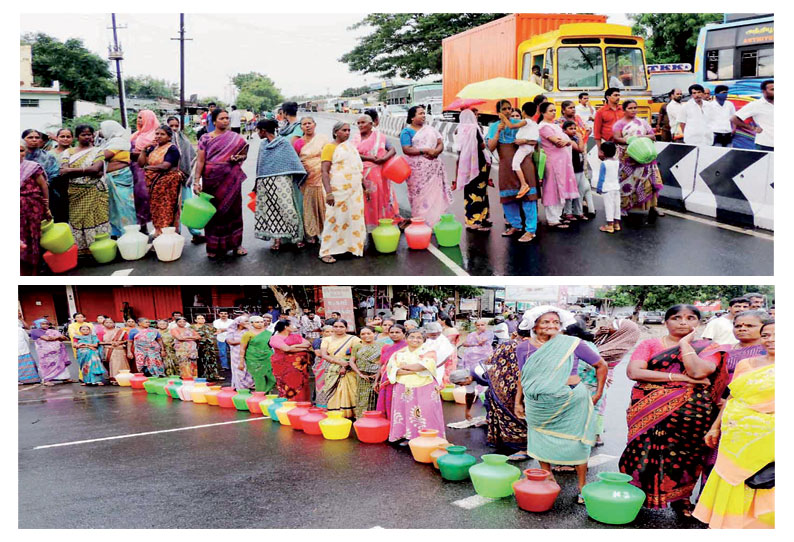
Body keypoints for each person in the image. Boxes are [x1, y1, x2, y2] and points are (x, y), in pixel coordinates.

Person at [619, 304, 728, 517]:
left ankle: (681, 499)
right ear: (665, 322)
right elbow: (634, 371)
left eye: (690, 318)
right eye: (677, 318)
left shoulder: (709, 348)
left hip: (691, 414)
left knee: (685, 457)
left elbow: (698, 371)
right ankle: (637, 494)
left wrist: (685, 344)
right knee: (640, 452)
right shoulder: (649, 344)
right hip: (647, 409)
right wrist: (681, 378)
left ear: (699, 323)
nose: (683, 322)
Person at [514, 306, 607, 502]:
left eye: (555, 322)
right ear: (534, 325)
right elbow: (524, 377)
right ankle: (549, 480)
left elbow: (601, 365)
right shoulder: (523, 347)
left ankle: (582, 487)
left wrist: (598, 393)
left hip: (572, 400)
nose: (551, 325)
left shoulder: (573, 343)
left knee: (578, 444)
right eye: (546, 322)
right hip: (539, 404)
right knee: (541, 441)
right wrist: (518, 402)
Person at [693, 321, 774, 529]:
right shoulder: (746, 364)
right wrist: (715, 427)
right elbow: (732, 398)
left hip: (769, 440)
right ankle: (728, 524)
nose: (771, 339)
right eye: (766, 335)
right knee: (731, 479)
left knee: (765, 481)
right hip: (735, 438)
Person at [194, 108, 249, 259]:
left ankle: (236, 244)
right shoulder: (205, 138)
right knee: (214, 214)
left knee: (234, 212)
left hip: (231, 179)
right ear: (214, 121)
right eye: (222, 118)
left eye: (227, 118)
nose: (225, 121)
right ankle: (214, 246)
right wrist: (196, 181)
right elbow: (200, 161)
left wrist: (237, 158)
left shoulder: (235, 137)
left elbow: (243, 153)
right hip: (211, 180)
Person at [254, 119, 307, 250]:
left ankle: (297, 238)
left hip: (282, 181)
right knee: (271, 211)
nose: (257, 133)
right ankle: (276, 240)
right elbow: (260, 165)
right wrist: (257, 182)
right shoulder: (263, 145)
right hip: (265, 182)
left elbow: (293, 161)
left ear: (263, 131)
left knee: (288, 209)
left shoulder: (283, 143)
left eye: (258, 130)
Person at [386, 328, 445, 444]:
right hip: (403, 386)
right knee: (405, 411)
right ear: (406, 338)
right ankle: (408, 437)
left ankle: (430, 437)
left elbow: (423, 367)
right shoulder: (398, 353)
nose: (415, 340)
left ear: (424, 340)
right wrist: (412, 369)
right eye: (412, 337)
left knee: (427, 412)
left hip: (425, 386)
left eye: (419, 337)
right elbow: (393, 370)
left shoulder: (429, 351)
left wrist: (405, 367)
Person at [318, 122, 366, 264]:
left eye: (349, 130)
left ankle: (348, 247)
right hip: (337, 189)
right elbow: (324, 171)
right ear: (335, 132)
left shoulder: (350, 148)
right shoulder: (329, 147)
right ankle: (325, 251)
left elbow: (356, 169)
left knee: (351, 218)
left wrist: (364, 187)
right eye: (344, 130)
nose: (347, 133)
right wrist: (329, 193)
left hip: (354, 190)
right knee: (334, 219)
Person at [59, 125, 110, 255]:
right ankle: (82, 249)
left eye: (89, 134)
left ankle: (100, 248)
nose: (87, 137)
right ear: (77, 137)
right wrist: (86, 171)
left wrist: (71, 170)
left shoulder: (98, 151)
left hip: (95, 191)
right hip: (76, 192)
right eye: (83, 134)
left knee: (97, 217)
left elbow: (96, 170)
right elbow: (64, 172)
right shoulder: (68, 152)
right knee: (77, 219)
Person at [611, 100, 664, 220]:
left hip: (645, 156)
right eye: (630, 108)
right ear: (624, 110)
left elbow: (652, 136)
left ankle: (652, 207)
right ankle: (623, 207)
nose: (633, 110)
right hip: (628, 158)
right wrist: (631, 140)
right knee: (626, 183)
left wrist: (641, 138)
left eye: (635, 108)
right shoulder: (619, 124)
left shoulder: (642, 122)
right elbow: (616, 138)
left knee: (649, 182)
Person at [400, 105, 452, 227]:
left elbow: (440, 143)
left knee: (435, 195)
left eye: (424, 113)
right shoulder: (406, 132)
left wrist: (436, 151)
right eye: (420, 113)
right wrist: (425, 150)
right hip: (417, 171)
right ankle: (420, 221)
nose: (423, 116)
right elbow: (406, 149)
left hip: (433, 169)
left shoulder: (430, 129)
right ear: (412, 117)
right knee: (419, 196)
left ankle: (435, 222)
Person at [590, 318, 640, 444]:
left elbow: (592, 355)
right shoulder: (608, 340)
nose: (609, 325)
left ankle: (596, 434)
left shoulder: (617, 347)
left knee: (596, 405)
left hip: (597, 379)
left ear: (622, 331)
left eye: (614, 325)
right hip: (594, 378)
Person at [355, 114, 402, 229]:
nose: (360, 125)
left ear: (371, 124)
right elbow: (353, 154)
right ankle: (370, 226)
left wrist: (384, 159)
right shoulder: (356, 139)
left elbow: (392, 150)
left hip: (379, 174)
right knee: (367, 199)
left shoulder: (380, 137)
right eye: (359, 123)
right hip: (363, 175)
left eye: (363, 122)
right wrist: (369, 158)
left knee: (383, 198)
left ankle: (384, 223)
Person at [538, 102, 580, 228]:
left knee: (561, 187)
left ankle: (557, 216)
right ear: (543, 113)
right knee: (552, 188)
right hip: (553, 162)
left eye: (554, 110)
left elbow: (566, 141)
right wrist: (567, 141)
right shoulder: (544, 127)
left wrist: (567, 141)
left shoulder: (554, 125)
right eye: (551, 111)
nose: (554, 113)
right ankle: (552, 219)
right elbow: (558, 142)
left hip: (562, 161)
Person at [138, 124, 182, 237]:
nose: (158, 136)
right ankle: (159, 233)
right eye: (157, 133)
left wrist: (147, 168)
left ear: (169, 137)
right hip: (153, 184)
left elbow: (165, 166)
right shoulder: (153, 148)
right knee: (156, 210)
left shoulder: (172, 148)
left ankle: (166, 235)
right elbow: (141, 163)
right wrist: (143, 150)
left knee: (166, 209)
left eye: (162, 134)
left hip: (167, 183)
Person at [166, 116, 204, 244]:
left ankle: (196, 234)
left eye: (176, 125)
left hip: (184, 180)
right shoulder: (162, 141)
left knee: (187, 206)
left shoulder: (184, 139)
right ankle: (176, 235)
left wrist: (185, 173)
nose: (174, 128)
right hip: (169, 181)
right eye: (171, 126)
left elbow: (191, 157)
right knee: (172, 209)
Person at [454, 109, 492, 232]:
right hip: (477, 162)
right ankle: (478, 220)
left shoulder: (458, 130)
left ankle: (470, 220)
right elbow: (482, 146)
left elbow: (458, 147)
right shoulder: (474, 129)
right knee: (480, 191)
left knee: (469, 191)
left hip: (465, 164)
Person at [96, 121, 136, 238]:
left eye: (102, 129)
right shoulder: (109, 142)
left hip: (120, 177)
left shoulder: (119, 141)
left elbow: (103, 155)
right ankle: (116, 234)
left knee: (124, 206)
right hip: (111, 176)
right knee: (113, 208)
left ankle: (129, 234)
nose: (100, 131)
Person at [294, 117, 329, 244]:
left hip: (322, 176)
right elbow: (296, 160)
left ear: (315, 124)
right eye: (304, 124)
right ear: (301, 127)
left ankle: (328, 232)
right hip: (307, 178)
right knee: (310, 206)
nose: (307, 126)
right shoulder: (299, 143)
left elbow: (329, 156)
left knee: (324, 205)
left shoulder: (323, 139)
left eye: (310, 123)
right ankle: (312, 233)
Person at [20, 140, 51, 274]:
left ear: (25, 152)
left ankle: (33, 271)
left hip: (33, 207)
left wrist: (46, 206)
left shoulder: (32, 167)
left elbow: (43, 186)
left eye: (21, 150)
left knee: (33, 237)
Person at [320, 319, 361, 417]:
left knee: (351, 390)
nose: (338, 329)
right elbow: (324, 355)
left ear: (346, 328)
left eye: (341, 327)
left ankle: (352, 413)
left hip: (349, 368)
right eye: (336, 326)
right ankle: (336, 413)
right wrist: (339, 362)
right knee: (334, 391)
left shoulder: (353, 339)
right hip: (332, 369)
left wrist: (346, 365)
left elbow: (357, 354)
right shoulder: (326, 339)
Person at [130, 110, 159, 232]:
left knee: (148, 197)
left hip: (148, 170)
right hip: (134, 170)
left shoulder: (156, 135)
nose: (139, 120)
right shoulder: (136, 135)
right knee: (138, 198)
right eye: (138, 117)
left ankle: (159, 226)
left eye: (141, 118)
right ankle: (142, 226)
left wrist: (134, 154)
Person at [269, 320, 312, 400]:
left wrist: (294, 346)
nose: (294, 327)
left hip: (299, 367)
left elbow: (308, 344)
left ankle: (302, 403)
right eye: (292, 325)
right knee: (288, 385)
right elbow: (286, 349)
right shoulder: (275, 338)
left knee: (301, 384)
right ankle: (288, 403)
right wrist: (302, 348)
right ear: (286, 327)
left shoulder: (296, 336)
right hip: (284, 366)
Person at [349, 326, 383, 418]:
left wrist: (378, 375)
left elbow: (385, 362)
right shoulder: (357, 347)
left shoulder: (382, 346)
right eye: (363, 334)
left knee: (378, 398)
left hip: (379, 376)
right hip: (363, 377)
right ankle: (362, 420)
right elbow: (352, 361)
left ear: (374, 334)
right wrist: (360, 374)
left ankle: (378, 420)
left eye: (369, 333)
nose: (366, 336)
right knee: (363, 399)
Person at [732, 80, 774, 151]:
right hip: (765, 144)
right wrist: (752, 128)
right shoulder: (755, 105)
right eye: (772, 89)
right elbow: (734, 118)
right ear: (764, 91)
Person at [30, 319, 72, 386]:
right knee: (47, 365)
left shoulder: (52, 331)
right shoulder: (35, 331)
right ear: (38, 324)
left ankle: (65, 378)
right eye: (43, 324)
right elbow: (47, 338)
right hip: (45, 353)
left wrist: (58, 337)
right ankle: (47, 380)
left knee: (60, 363)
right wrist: (58, 337)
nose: (46, 325)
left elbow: (64, 338)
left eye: (47, 324)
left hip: (57, 352)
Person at [239, 315, 275, 393]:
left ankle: (263, 394)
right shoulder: (247, 334)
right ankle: (261, 397)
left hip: (267, 357)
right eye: (257, 322)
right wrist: (241, 362)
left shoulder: (269, 333)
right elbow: (242, 348)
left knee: (273, 379)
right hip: (253, 358)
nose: (260, 324)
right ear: (251, 323)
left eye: (261, 322)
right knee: (259, 379)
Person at [596, 141, 621, 233]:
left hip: (607, 188)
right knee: (616, 205)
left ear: (603, 152)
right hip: (616, 187)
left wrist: (599, 188)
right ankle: (617, 224)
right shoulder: (617, 162)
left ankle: (610, 226)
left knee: (609, 206)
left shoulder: (604, 164)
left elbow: (601, 178)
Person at [424, 322, 457, 386]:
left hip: (437, 367)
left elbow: (446, 355)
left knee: (435, 383)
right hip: (423, 367)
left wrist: (436, 366)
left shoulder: (442, 340)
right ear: (426, 332)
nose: (435, 336)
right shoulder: (423, 338)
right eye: (433, 335)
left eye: (438, 334)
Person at [594, 88, 623, 160]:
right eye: (615, 95)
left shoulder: (623, 109)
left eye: (619, 95)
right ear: (608, 97)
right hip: (608, 145)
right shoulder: (600, 112)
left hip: (623, 144)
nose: (618, 97)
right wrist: (599, 150)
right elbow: (597, 132)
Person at [98, 317, 129, 383]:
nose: (109, 324)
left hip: (119, 349)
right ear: (103, 324)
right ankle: (113, 378)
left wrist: (119, 342)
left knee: (120, 364)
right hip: (107, 349)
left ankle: (121, 378)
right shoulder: (101, 332)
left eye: (111, 322)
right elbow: (99, 342)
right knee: (111, 364)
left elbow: (126, 340)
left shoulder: (120, 331)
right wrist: (110, 343)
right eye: (107, 322)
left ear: (114, 323)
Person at [227, 316, 254, 390]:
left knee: (247, 370)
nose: (247, 323)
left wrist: (249, 328)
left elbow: (254, 337)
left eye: (248, 321)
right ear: (239, 322)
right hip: (235, 354)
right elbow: (230, 341)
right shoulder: (232, 331)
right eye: (245, 321)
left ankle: (248, 386)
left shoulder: (248, 331)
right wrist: (244, 341)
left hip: (247, 352)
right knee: (238, 370)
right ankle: (239, 388)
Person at [191, 315, 221, 381]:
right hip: (198, 346)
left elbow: (218, 331)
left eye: (202, 318)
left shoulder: (208, 327)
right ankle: (200, 376)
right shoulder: (192, 327)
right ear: (195, 320)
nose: (201, 320)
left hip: (209, 346)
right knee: (199, 361)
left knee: (210, 360)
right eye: (199, 318)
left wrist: (212, 335)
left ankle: (211, 376)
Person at [312, 325, 334, 407]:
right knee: (321, 387)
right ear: (322, 333)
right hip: (321, 366)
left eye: (332, 331)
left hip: (334, 366)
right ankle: (322, 406)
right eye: (327, 332)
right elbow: (318, 353)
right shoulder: (318, 341)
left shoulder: (337, 341)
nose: (330, 333)